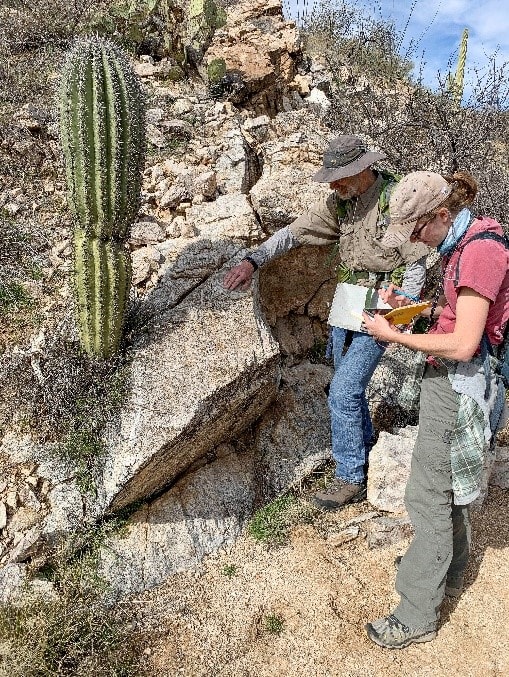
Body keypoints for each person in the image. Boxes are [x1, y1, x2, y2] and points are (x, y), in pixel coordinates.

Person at [223, 135, 428, 509]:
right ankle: (364, 452)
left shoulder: (396, 201)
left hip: (381, 307)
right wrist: (253, 261)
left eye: (340, 176)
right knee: (346, 386)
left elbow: (415, 263)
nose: (334, 184)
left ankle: (350, 478)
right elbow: (293, 233)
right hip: (349, 300)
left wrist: (402, 312)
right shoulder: (340, 205)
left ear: (363, 169)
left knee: (343, 391)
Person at [362, 170, 509, 649]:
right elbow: (457, 314)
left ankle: (417, 611)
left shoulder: (480, 252)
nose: (411, 240)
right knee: (446, 489)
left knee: (428, 497)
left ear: (442, 215)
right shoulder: (461, 243)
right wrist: (411, 308)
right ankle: (449, 572)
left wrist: (394, 336)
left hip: (459, 384)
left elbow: (466, 342)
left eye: (415, 229)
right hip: (449, 380)